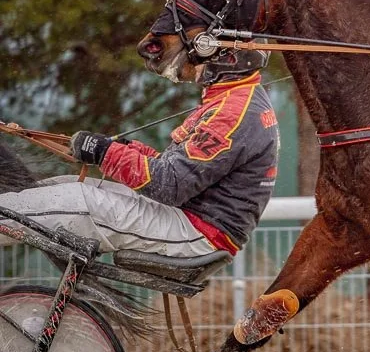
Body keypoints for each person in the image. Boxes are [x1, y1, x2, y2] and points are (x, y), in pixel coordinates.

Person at [0, 48, 278, 258]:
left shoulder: (232, 111)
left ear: (226, 61)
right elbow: (177, 168)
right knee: (63, 187)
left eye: (201, 53)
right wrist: (122, 149)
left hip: (197, 231)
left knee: (77, 199)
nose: (191, 62)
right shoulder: (237, 98)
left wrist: (105, 153)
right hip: (191, 217)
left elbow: (170, 185)